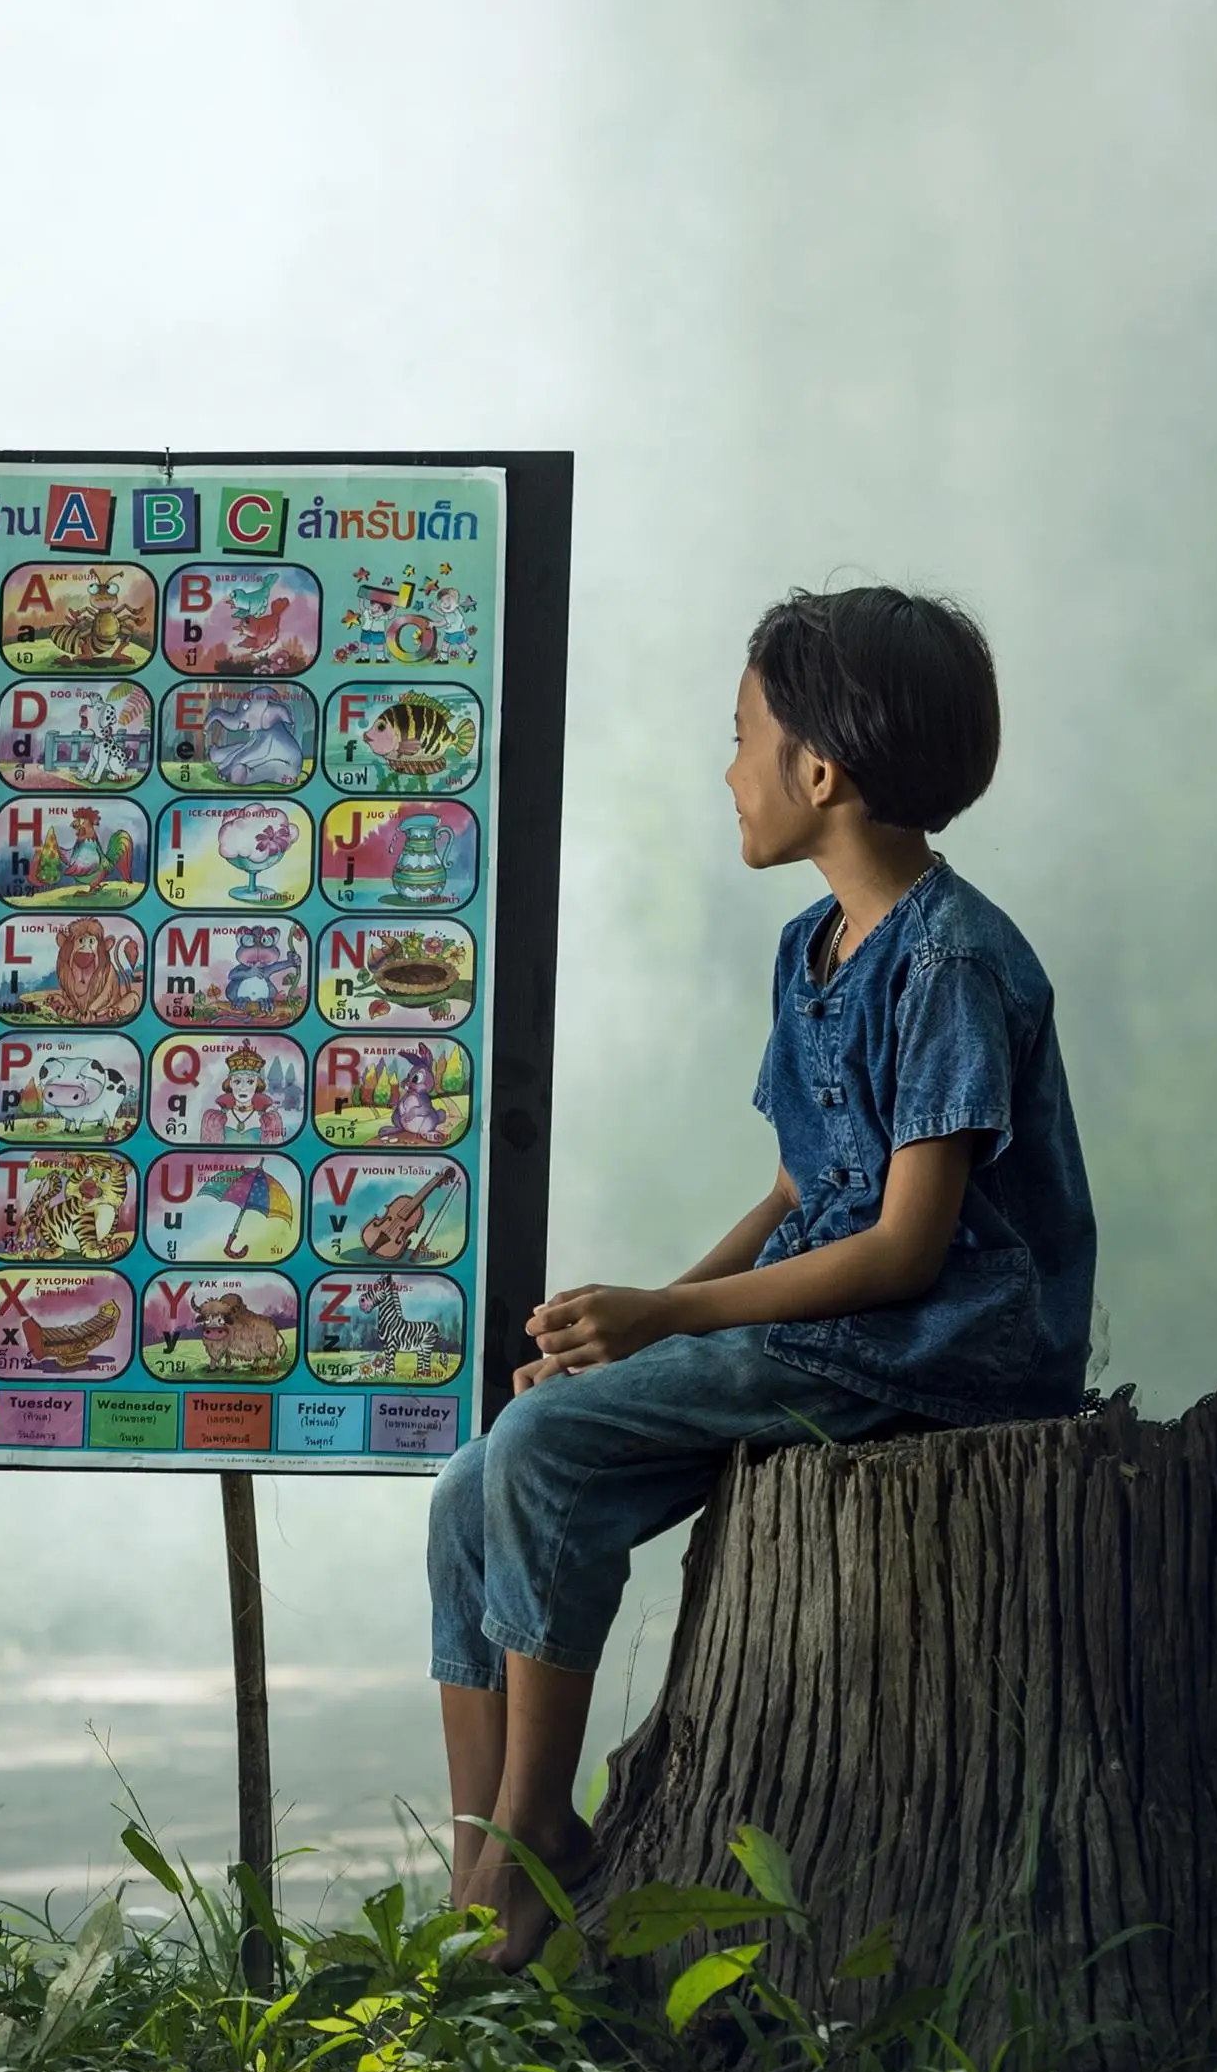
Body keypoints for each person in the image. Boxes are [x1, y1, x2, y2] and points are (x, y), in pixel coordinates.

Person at [424, 584, 1094, 1960]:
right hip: (830, 1331)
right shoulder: (814, 949)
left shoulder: (953, 959)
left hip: (942, 1348)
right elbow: (804, 1184)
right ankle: (485, 1850)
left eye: (740, 736)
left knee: (543, 1450)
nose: (726, 771)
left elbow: (909, 1249)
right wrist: (624, 1332)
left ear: (821, 770)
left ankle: (529, 1859)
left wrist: (666, 1316)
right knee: (472, 1477)